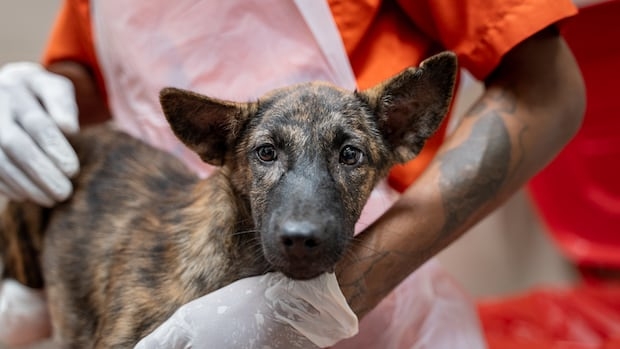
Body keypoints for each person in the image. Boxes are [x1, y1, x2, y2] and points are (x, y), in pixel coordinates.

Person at [0, 0, 585, 348]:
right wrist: (30, 93)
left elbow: (547, 90)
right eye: (267, 154)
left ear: (402, 130)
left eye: (349, 154)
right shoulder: (147, 292)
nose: (303, 221)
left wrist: (330, 296)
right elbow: (84, 75)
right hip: (187, 216)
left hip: (382, 290)